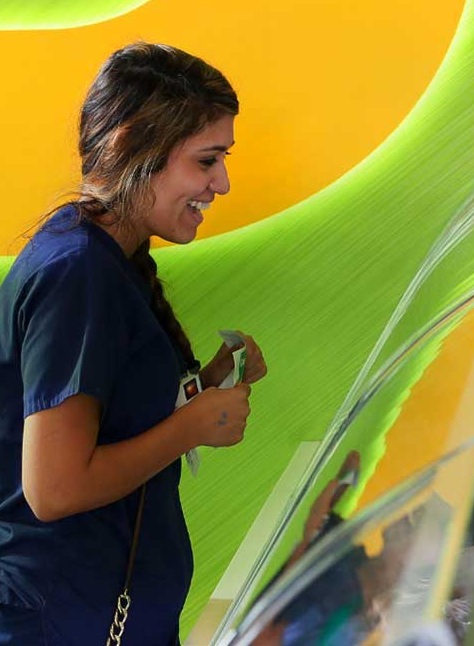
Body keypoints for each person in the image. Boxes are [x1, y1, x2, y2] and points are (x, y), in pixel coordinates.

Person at [0, 42, 268, 643]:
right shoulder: (76, 273)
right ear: (130, 149)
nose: (221, 183)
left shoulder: (108, 257)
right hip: (63, 618)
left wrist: (204, 388)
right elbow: (55, 488)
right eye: (207, 160)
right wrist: (193, 425)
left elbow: (111, 415)